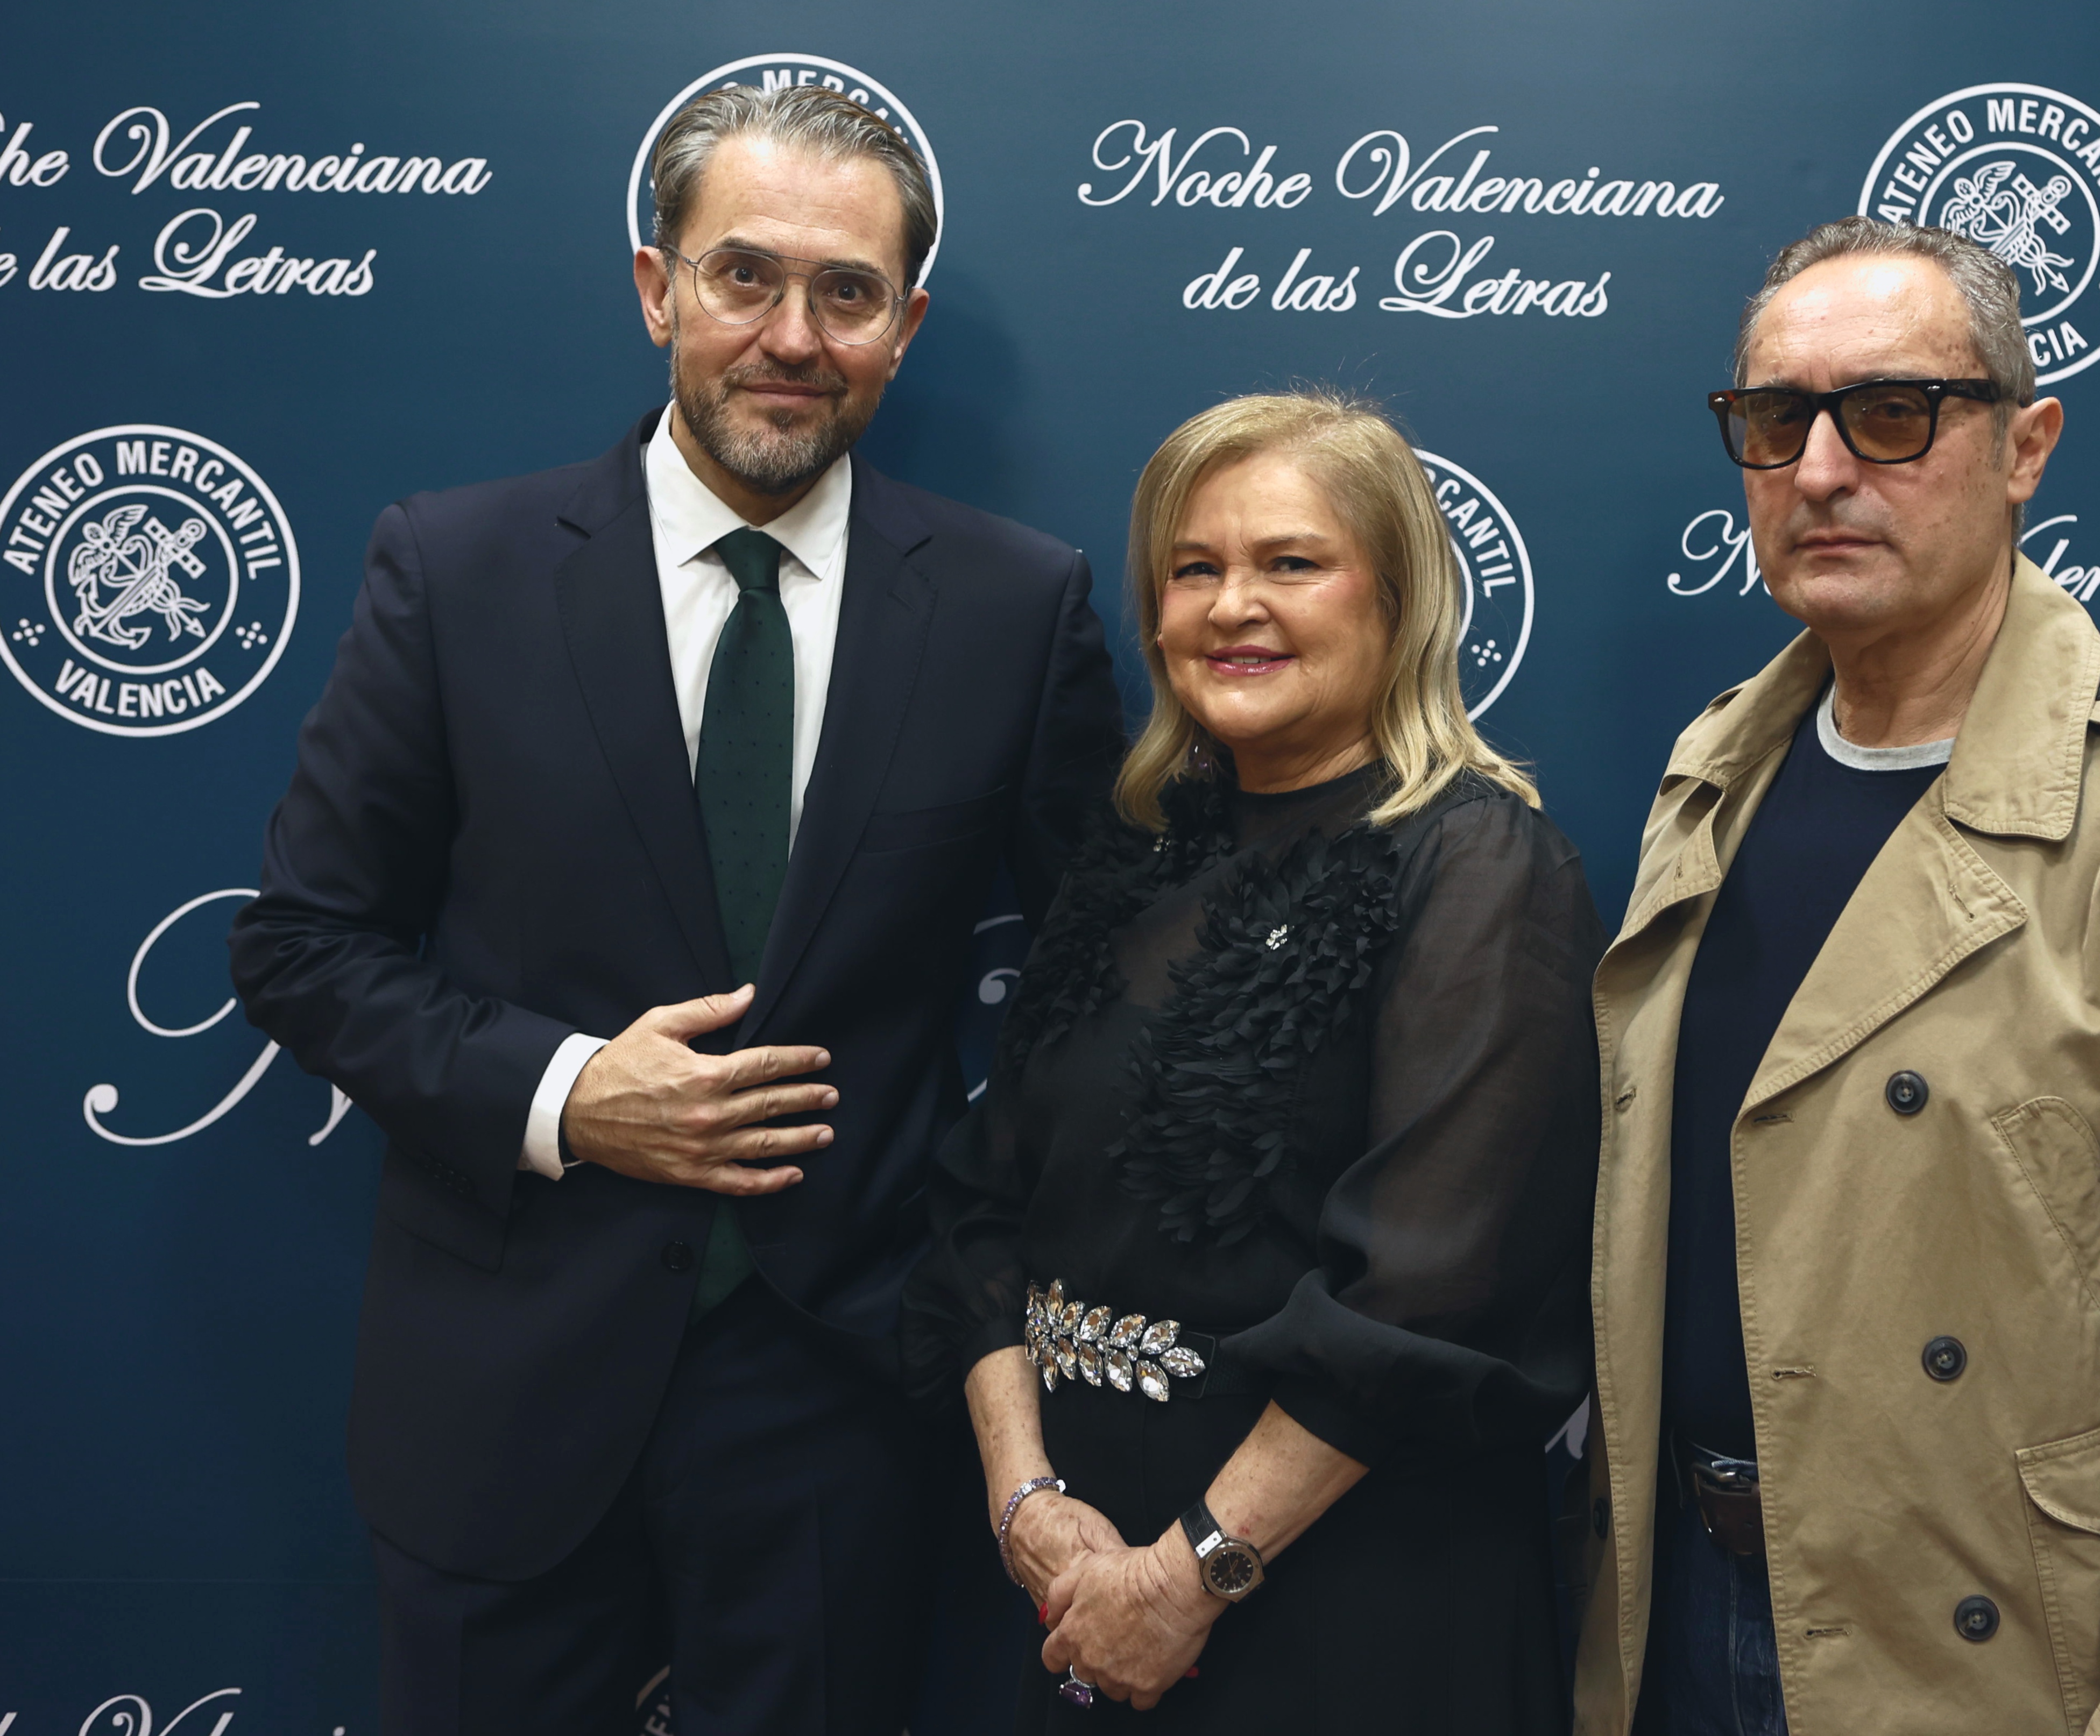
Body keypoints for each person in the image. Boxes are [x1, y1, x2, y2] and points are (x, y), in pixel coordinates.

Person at [226, 84, 1122, 1734]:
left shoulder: (1017, 606)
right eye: (743, 275)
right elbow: (300, 948)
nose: (792, 335)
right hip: (498, 1387)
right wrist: (571, 1092)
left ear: (906, 326)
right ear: (657, 288)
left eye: (846, 292)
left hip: (842, 1405)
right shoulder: (455, 570)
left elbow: (1098, 987)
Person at [1574, 217, 2100, 1736]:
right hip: (1678, 1615)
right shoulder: (1714, 770)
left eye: (1890, 413)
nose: (1819, 470)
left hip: (1980, 1657)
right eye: (1774, 420)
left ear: (2023, 448)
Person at [904, 388, 1603, 1732]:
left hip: (1347, 1604)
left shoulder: (1479, 864)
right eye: (1193, 570)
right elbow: (981, 1208)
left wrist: (1188, 1578)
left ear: (1397, 600)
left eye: (1290, 563)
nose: (1233, 607)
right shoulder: (1134, 855)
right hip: (1067, 1588)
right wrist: (1025, 1500)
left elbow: (1427, 1296)